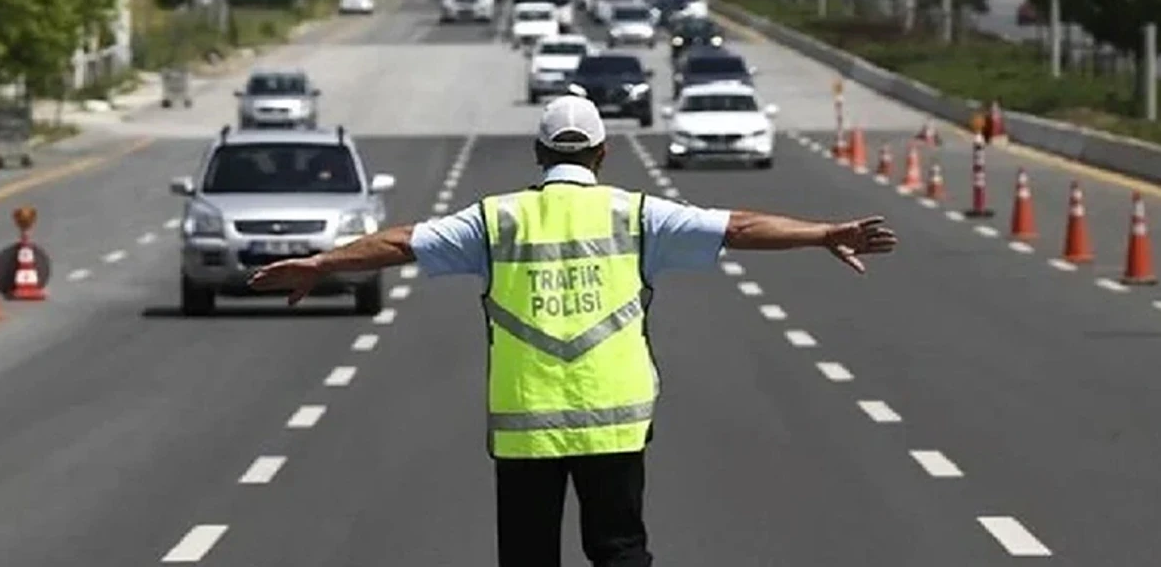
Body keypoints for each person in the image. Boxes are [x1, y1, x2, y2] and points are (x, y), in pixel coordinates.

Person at [247, 95, 898, 567]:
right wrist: (823, 233)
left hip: (528, 422)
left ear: (537, 153)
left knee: (529, 558)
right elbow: (738, 227)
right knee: (620, 549)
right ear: (602, 153)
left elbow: (399, 242)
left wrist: (324, 262)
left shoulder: (496, 220)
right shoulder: (635, 214)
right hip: (613, 420)